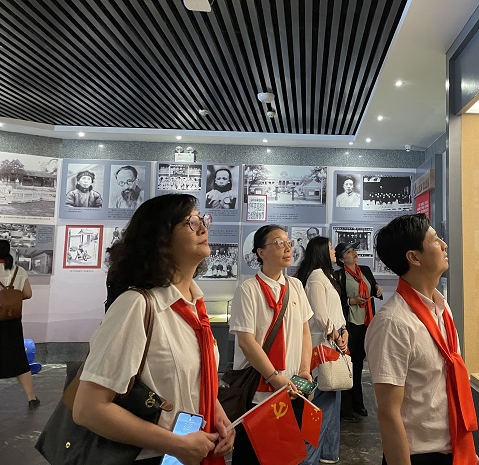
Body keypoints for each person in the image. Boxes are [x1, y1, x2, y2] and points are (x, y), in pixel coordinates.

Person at [72, 194, 235, 464]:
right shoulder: (137, 305)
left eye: (203, 220)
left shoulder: (195, 305)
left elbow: (190, 378)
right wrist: (176, 443)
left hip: (192, 452)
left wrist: (215, 411)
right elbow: (88, 409)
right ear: (161, 237)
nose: (203, 229)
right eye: (191, 222)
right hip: (152, 456)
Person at [366, 214, 479, 465]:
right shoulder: (392, 323)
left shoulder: (442, 308)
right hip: (418, 456)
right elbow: (388, 413)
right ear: (414, 257)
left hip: (454, 448)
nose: (444, 245)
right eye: (435, 239)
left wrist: (467, 452)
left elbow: (443, 388)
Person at [229, 225, 314, 465]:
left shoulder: (295, 286)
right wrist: (274, 377)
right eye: (278, 242)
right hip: (258, 391)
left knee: (286, 455)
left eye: (288, 242)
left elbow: (305, 331)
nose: (287, 248)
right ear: (261, 252)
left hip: (292, 389)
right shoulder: (248, 290)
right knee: (252, 456)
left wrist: (304, 370)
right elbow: (246, 341)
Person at [296, 236, 349, 465]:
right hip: (323, 347)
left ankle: (328, 452)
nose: (334, 250)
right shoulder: (316, 277)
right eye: (329, 247)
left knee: (332, 399)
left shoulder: (326, 276)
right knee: (322, 402)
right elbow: (319, 315)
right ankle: (309, 457)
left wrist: (344, 332)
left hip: (334, 344)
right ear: (321, 251)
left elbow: (335, 313)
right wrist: (337, 335)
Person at [334, 241, 382, 422]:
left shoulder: (365, 270)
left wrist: (377, 290)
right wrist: (351, 301)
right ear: (341, 259)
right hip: (350, 325)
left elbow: (374, 288)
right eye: (348, 252)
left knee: (359, 364)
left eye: (354, 250)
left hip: (366, 323)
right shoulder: (339, 275)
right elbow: (338, 300)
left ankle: (358, 403)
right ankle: (346, 408)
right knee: (348, 365)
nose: (354, 253)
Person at [0, 240, 39, 409]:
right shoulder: (19, 270)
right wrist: (10, 298)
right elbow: (28, 294)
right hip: (12, 321)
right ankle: (31, 398)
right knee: (18, 358)